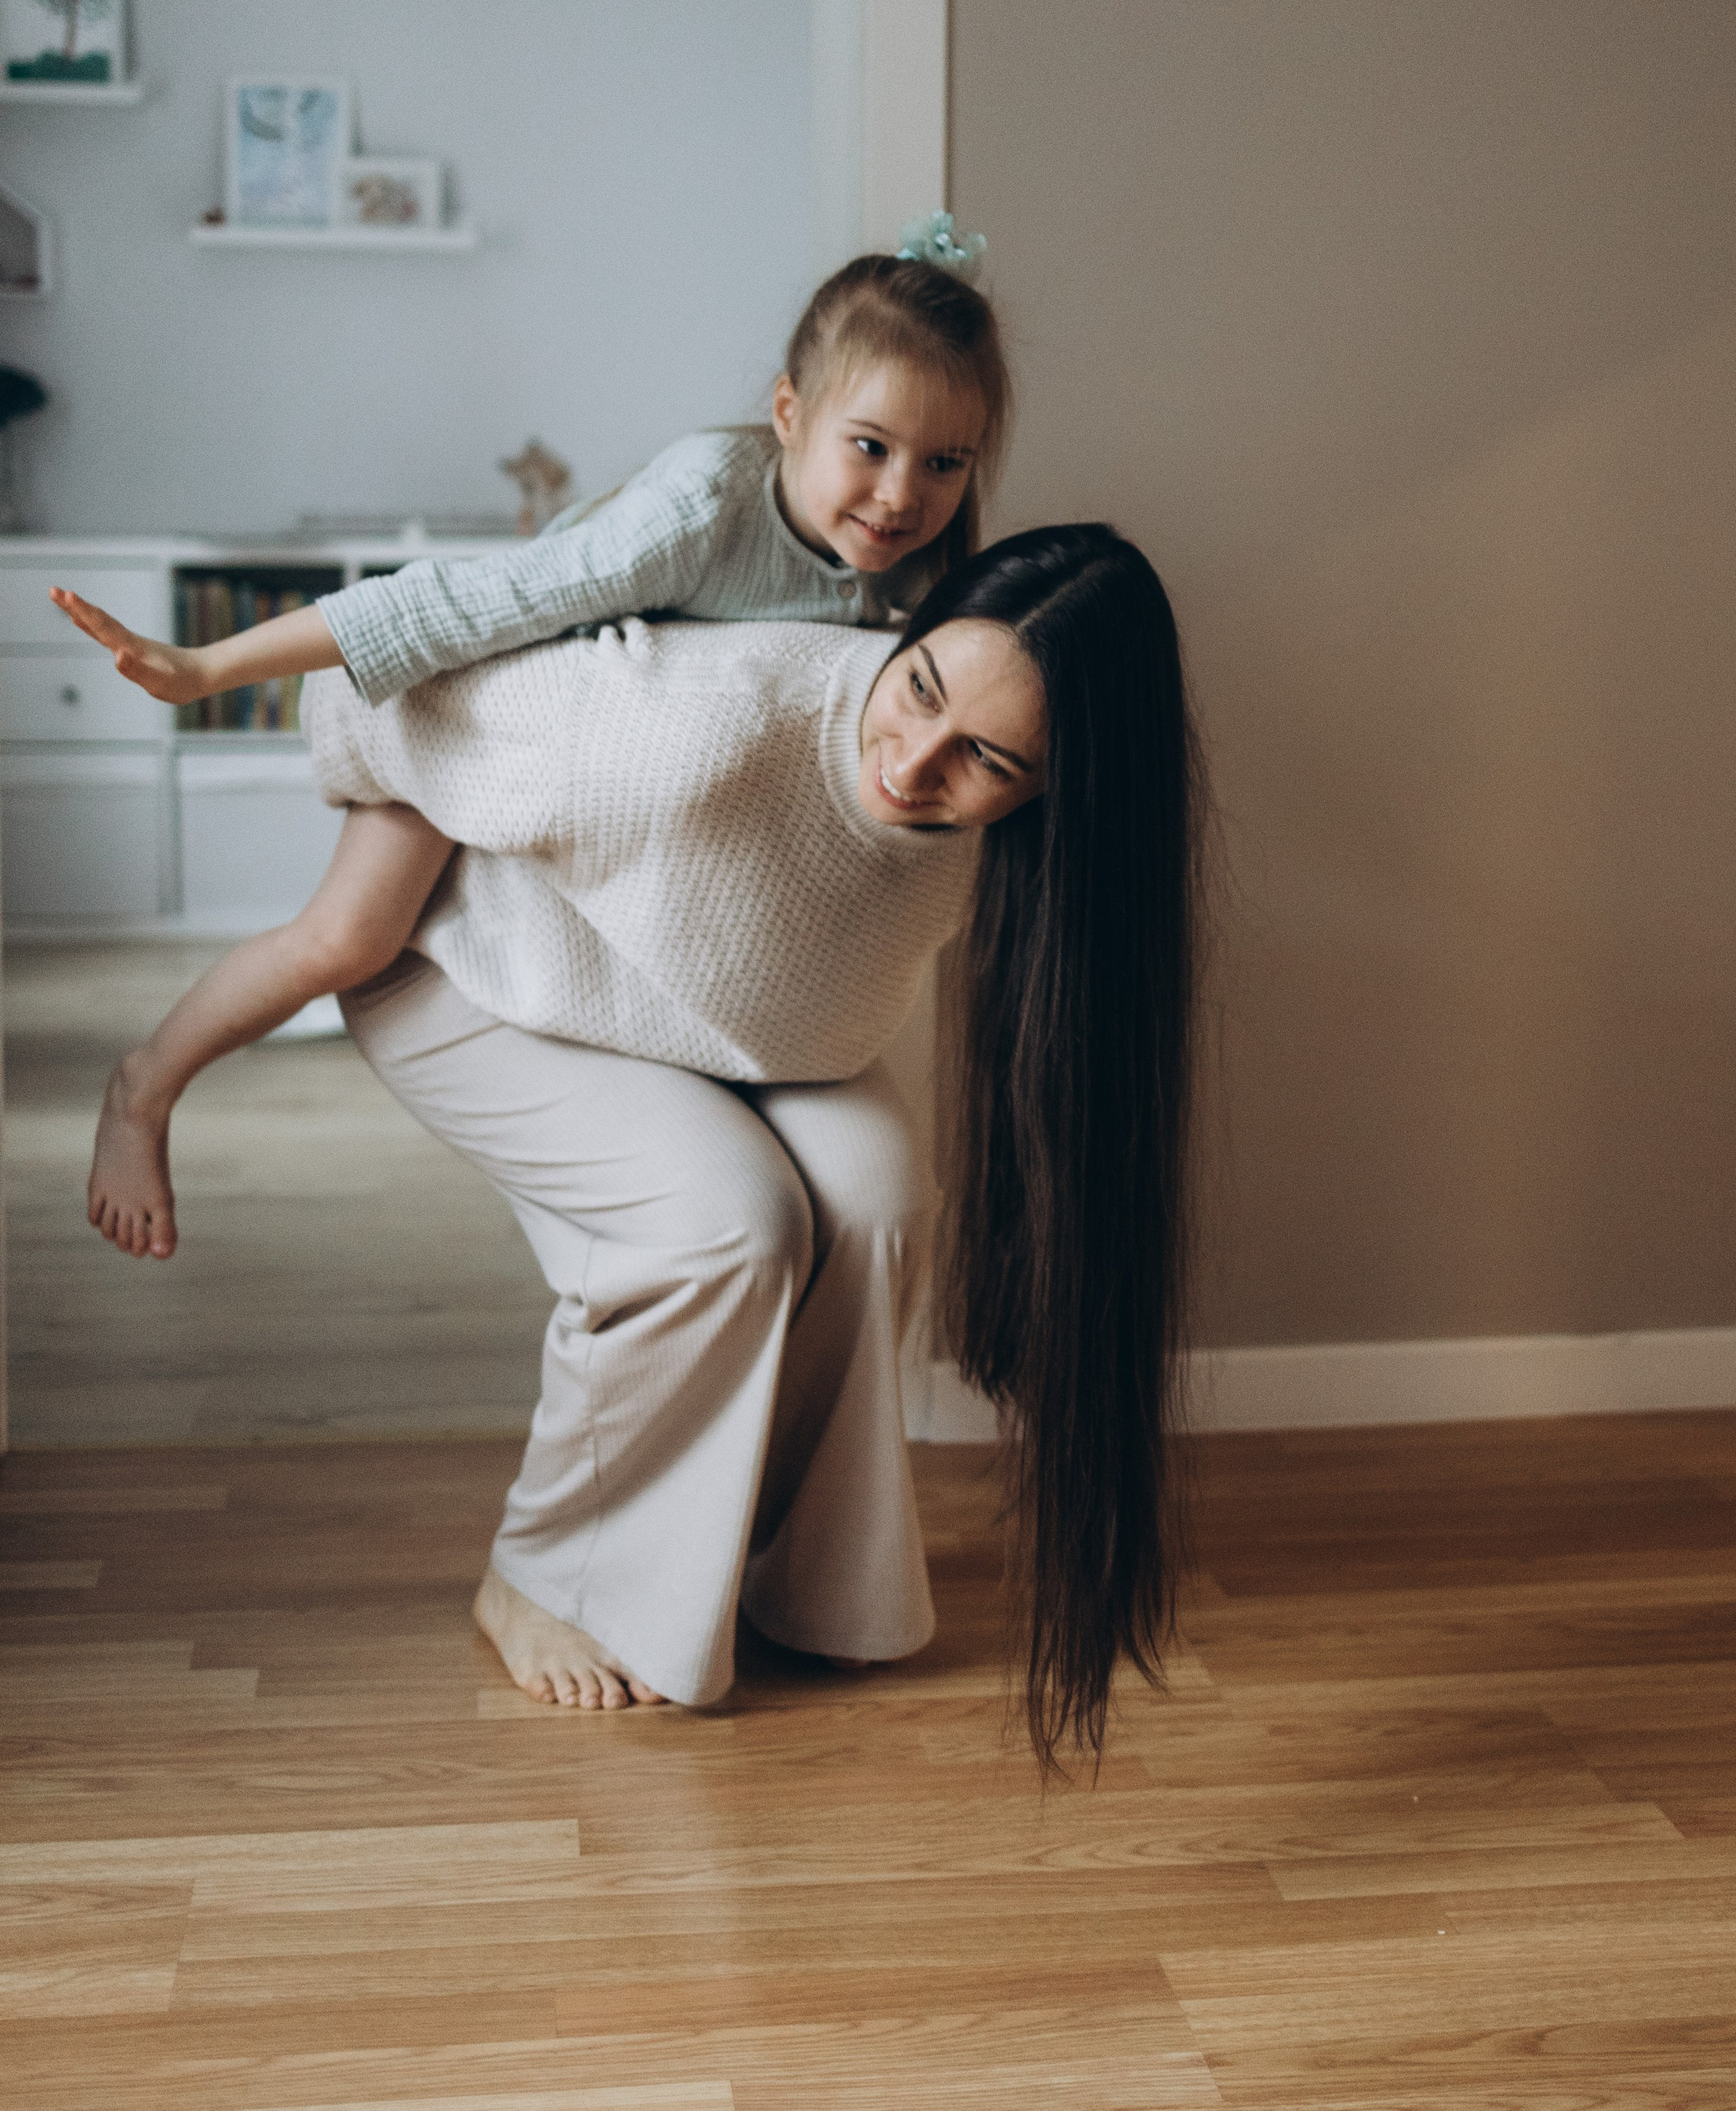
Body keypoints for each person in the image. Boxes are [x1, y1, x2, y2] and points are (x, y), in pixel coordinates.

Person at [184, 522, 1200, 1767]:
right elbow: (387, 693)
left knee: (879, 1197)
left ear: (1056, 791)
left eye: (984, 759)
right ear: (909, 633)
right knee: (729, 1223)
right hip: (480, 968)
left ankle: (804, 1573)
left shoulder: (1032, 855)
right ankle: (543, 1571)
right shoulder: (697, 718)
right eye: (922, 689)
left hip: (698, 1025)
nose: (914, 765)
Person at [50, 224, 1013, 1257]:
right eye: (869, 446)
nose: (903, 493)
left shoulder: (918, 572)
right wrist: (206, 670)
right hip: (468, 703)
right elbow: (462, 603)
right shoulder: (700, 507)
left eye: (944, 462)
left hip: (590, 768)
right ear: (789, 413)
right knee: (345, 941)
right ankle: (145, 1084)